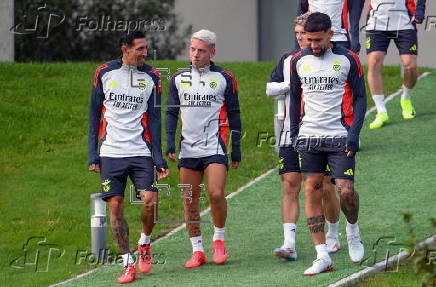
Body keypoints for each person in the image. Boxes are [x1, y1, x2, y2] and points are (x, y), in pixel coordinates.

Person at [88, 31, 169, 284]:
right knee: (115, 206)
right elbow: (93, 116)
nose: (145, 53)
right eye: (140, 48)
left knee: (150, 200)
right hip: (111, 152)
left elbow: (154, 119)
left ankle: (144, 243)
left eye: (146, 49)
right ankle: (127, 263)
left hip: (141, 151)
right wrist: (93, 154)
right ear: (125, 48)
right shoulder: (104, 73)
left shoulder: (152, 76)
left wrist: (159, 157)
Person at [289, 12, 366, 275]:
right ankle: (322, 255)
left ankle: (352, 231)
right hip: (309, 136)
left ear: (330, 35)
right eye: (309, 39)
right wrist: (293, 133)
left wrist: (354, 134)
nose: (312, 44)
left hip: (339, 136)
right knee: (312, 189)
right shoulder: (298, 60)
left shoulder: (348, 59)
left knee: (345, 190)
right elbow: (294, 98)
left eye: (318, 39)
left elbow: (360, 98)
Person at [166, 29, 242, 268]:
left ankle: (219, 240)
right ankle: (197, 250)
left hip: (214, 147)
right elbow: (171, 112)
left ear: (212, 52)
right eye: (192, 49)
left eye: (201, 50)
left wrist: (236, 147)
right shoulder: (178, 78)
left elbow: (235, 114)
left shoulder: (225, 78)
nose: (195, 55)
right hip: (187, 149)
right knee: (190, 200)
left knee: (216, 193)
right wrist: (169, 142)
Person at [266, 13, 339, 262]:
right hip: (289, 131)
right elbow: (269, 88)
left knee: (326, 186)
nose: (301, 38)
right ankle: (289, 244)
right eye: (297, 34)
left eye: (303, 34)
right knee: (289, 183)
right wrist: (289, 86)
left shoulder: (331, 59)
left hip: (320, 131)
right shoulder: (288, 59)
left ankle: (334, 234)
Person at [366, 0, 426, 129]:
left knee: (410, 65)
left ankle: (405, 98)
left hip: (404, 21)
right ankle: (381, 111)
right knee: (374, 63)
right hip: (376, 23)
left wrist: (420, 9)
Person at [296, 0, 364, 52]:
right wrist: (298, 42)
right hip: (314, 38)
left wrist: (355, 40)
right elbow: (300, 15)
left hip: (339, 38)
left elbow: (354, 14)